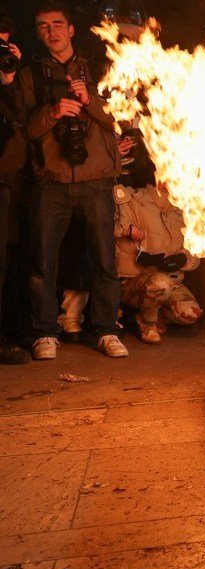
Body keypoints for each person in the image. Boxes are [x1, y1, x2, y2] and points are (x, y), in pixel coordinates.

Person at [15, 1, 127, 359]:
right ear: (38, 32)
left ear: (71, 29)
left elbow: (122, 120)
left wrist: (88, 99)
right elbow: (22, 131)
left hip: (96, 179)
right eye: (44, 25)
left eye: (58, 23)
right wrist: (52, 113)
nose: (53, 31)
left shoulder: (99, 67)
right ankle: (45, 333)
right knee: (42, 262)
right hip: (51, 180)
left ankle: (107, 330)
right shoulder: (31, 73)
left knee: (104, 261)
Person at [112, 184, 203, 343]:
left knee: (190, 313)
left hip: (170, 282)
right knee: (161, 283)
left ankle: (148, 314)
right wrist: (127, 231)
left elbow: (196, 253)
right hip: (134, 282)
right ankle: (148, 323)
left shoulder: (182, 209)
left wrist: (183, 258)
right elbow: (106, 229)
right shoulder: (132, 201)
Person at [0, 14, 28, 364]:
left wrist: (8, 80)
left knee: (0, 261)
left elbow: (19, 119)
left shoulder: (6, 80)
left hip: (3, 178)